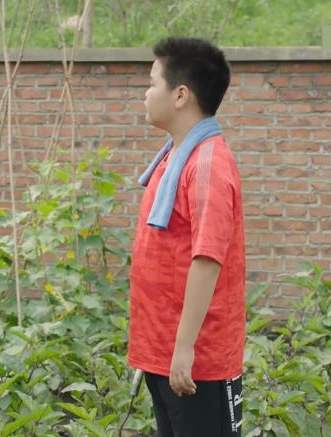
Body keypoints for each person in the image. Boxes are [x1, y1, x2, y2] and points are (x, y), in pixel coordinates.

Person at [128, 37, 245, 437]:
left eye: (152, 83)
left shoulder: (208, 164)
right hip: (166, 354)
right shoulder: (176, 156)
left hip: (198, 362)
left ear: (180, 95)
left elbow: (208, 258)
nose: (145, 93)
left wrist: (184, 348)